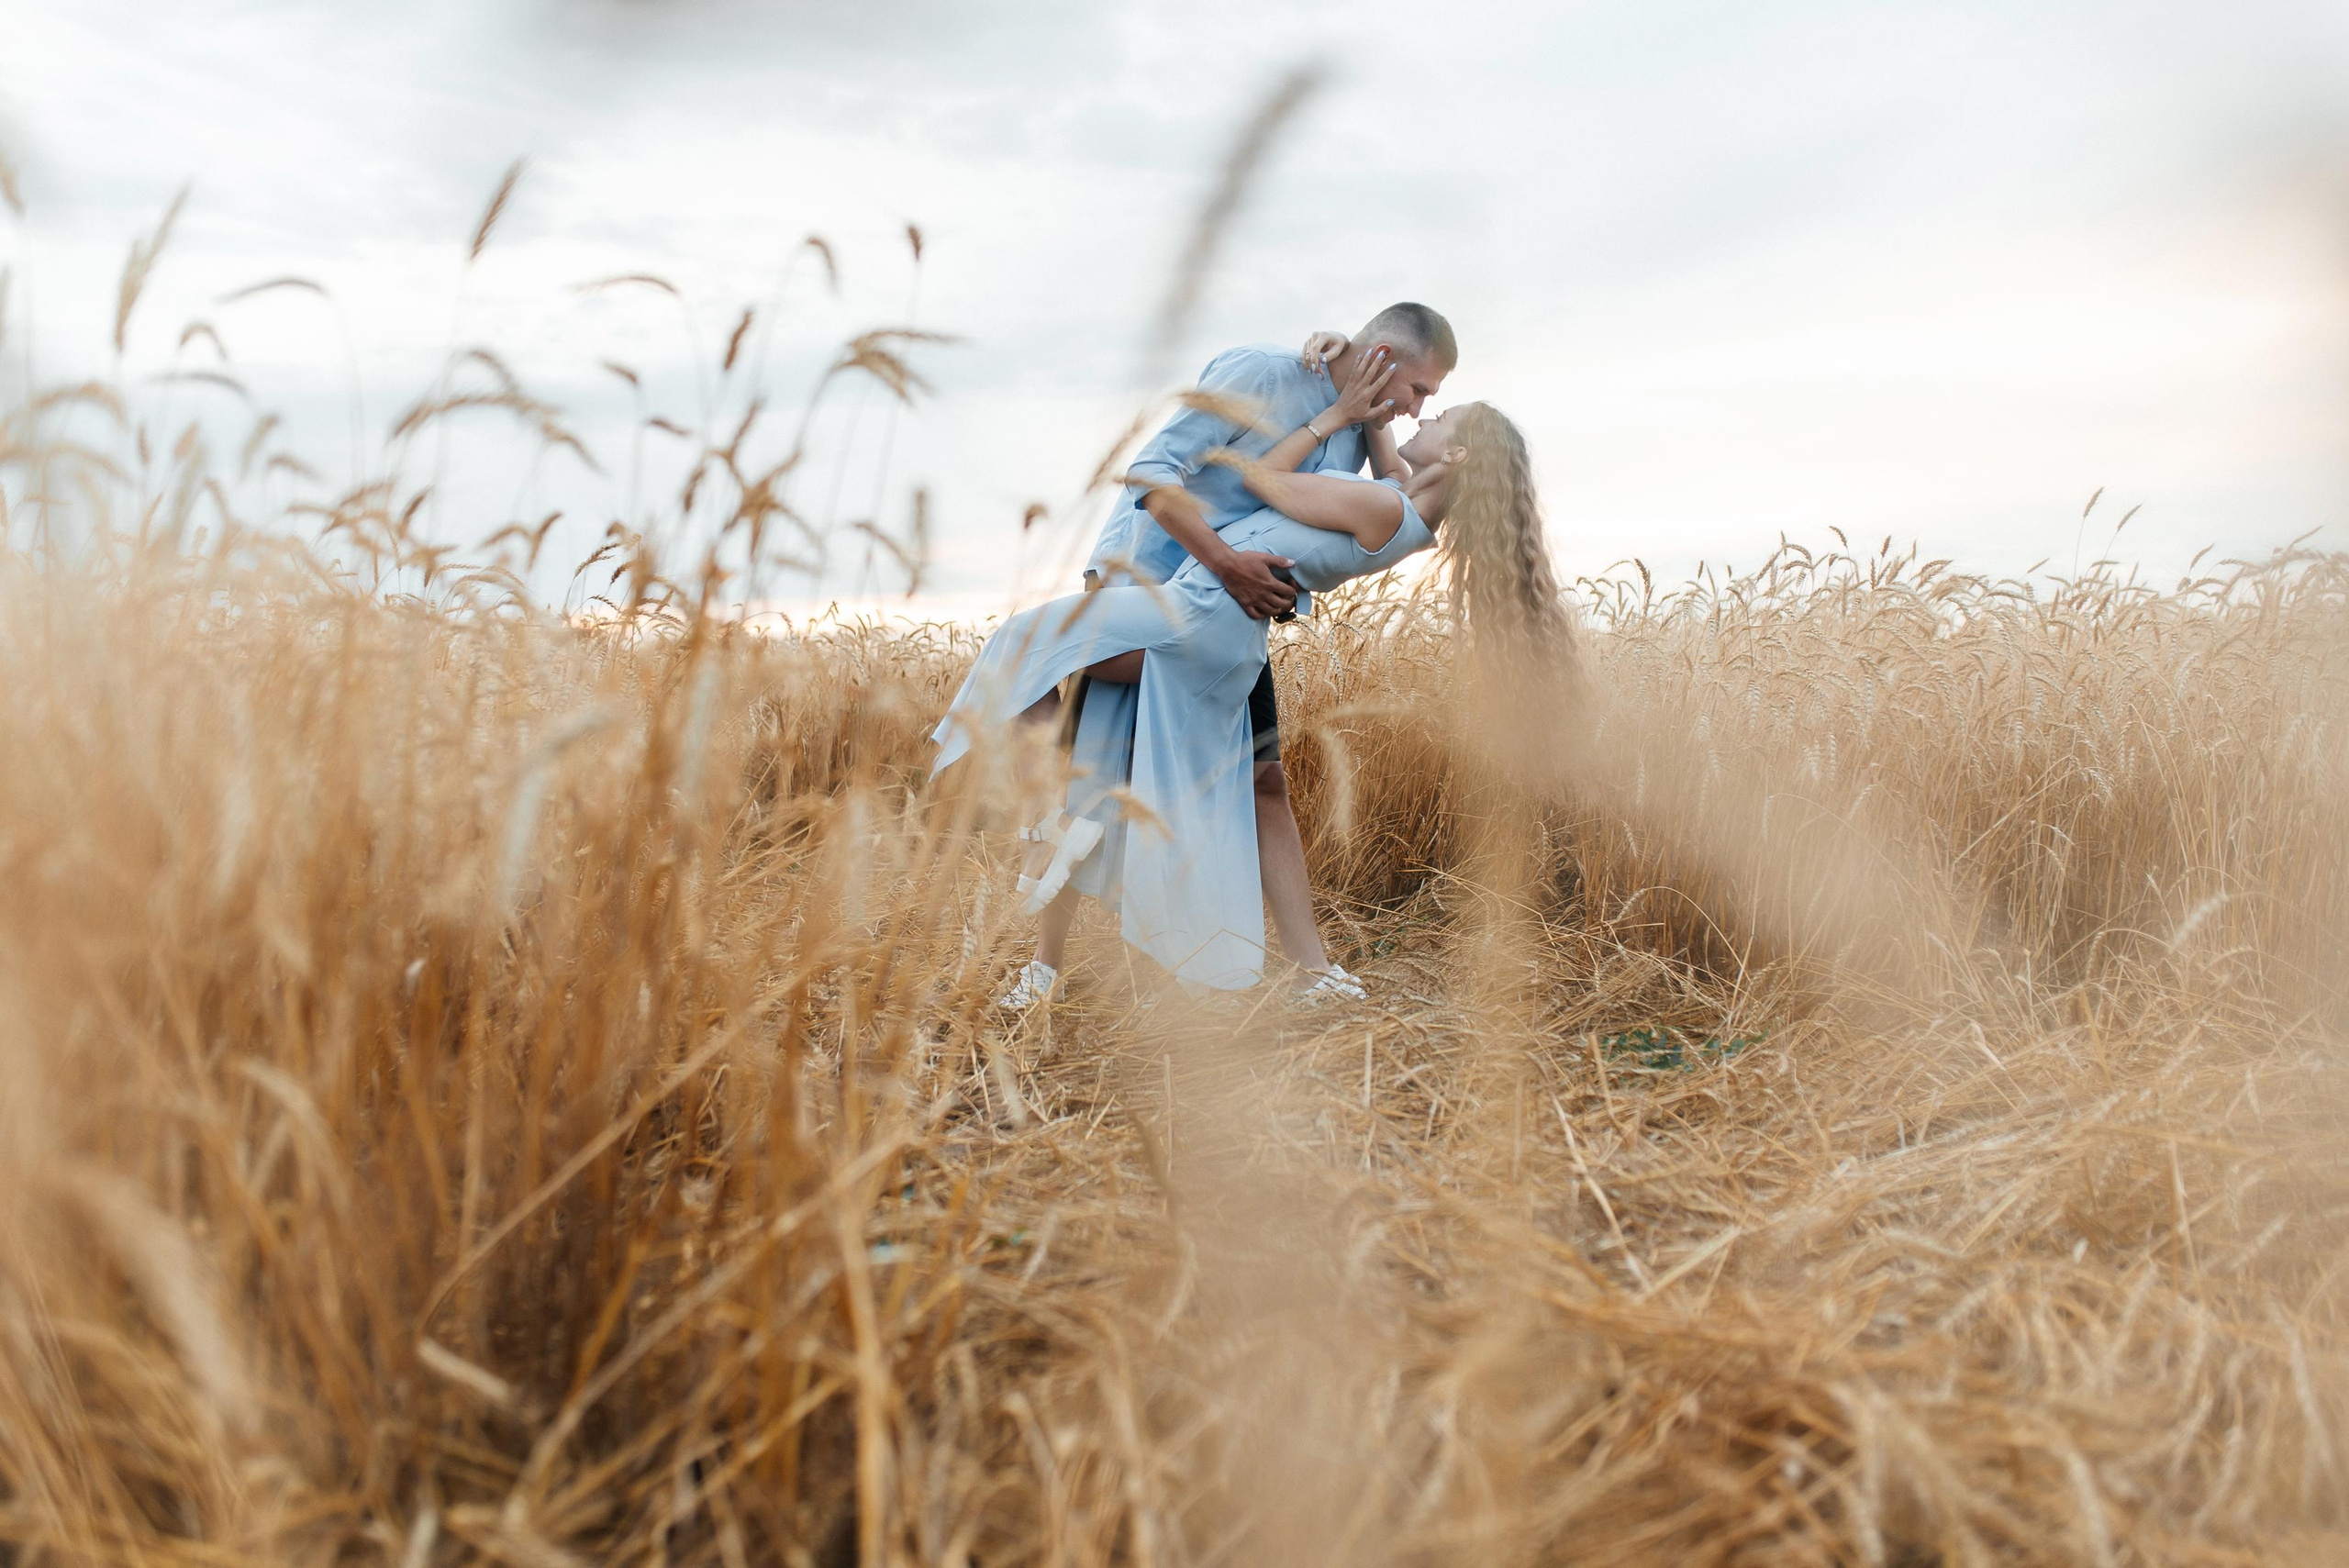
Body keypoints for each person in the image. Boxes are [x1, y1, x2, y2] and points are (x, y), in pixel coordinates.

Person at [930, 389, 1565, 1001]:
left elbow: (1264, 476)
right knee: (1102, 719)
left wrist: (1335, 416)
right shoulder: (1406, 504)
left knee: (1019, 647)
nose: (1422, 415)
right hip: (1218, 622)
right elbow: (1395, 463)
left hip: (1199, 611)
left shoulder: (1386, 509)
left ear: (1456, 456)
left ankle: (1053, 822)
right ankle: (1108, 890)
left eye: (1441, 414)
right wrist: (1371, 410)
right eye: (1419, 400)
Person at [1062, 305, 1459, 997]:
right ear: (1387, 357)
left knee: (1264, 781)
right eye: (1420, 389)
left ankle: (1314, 972)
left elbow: (1387, 489)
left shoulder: (1366, 430)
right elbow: (1152, 472)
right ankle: (1042, 970)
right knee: (1093, 782)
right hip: (1150, 588)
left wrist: (1368, 413)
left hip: (1229, 616)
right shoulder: (1263, 372)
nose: (1422, 405)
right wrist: (1213, 565)